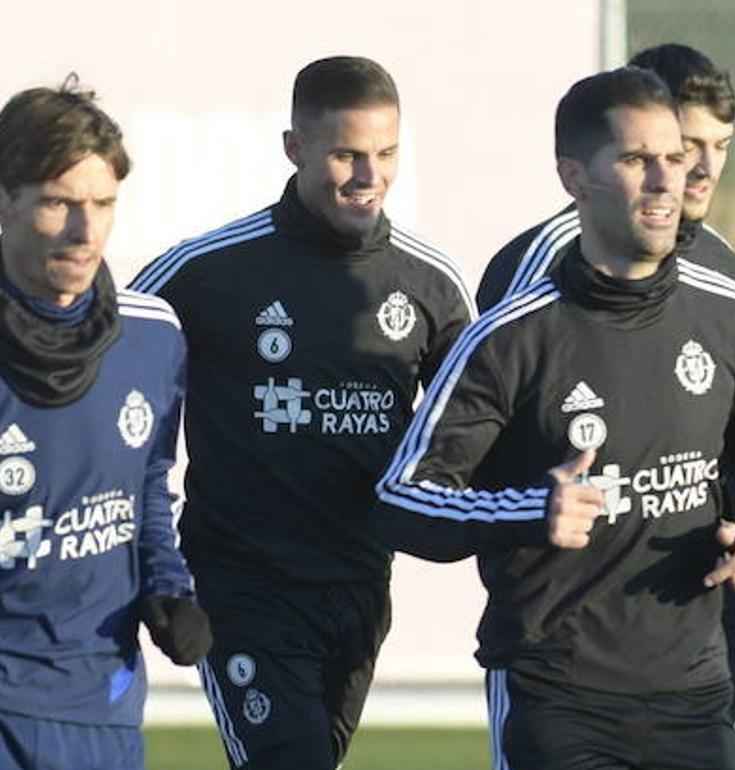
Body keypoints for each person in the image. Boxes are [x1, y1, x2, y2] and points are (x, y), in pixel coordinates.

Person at [371, 67, 735, 770]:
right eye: (635, 160)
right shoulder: (511, 337)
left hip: (695, 690)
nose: (666, 180)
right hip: (557, 692)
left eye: (673, 156)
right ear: (574, 178)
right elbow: (403, 499)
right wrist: (528, 511)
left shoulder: (727, 312)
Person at [128, 57, 474, 769]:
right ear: (295, 148)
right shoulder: (206, 272)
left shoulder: (431, 286)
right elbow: (110, 365)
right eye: (347, 155)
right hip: (240, 586)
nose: (368, 176)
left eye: (386, 153)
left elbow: (471, 433)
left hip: (357, 587)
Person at [478, 42, 735, 734]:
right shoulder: (536, 269)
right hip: (569, 643)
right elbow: (493, 449)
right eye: (679, 145)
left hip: (695, 613)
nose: (698, 167)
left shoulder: (720, 262)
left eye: (716, 146)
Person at [0, 78, 210, 770]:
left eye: (103, 205)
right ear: (5, 200)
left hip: (101, 701)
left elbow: (148, 482)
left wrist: (167, 586)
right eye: (59, 204)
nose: (86, 232)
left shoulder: (151, 336)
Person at [475, 42, 735, 309]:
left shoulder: (721, 261)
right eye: (688, 147)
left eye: (722, 145)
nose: (707, 168)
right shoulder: (547, 260)